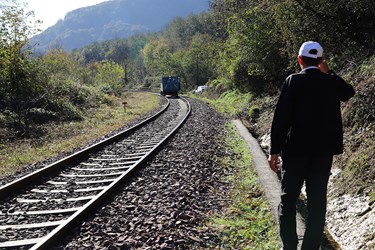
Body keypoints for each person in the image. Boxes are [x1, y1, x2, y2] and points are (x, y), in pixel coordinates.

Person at [268, 41, 355, 250]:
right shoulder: (330, 81)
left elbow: (281, 119)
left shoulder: (293, 81)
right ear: (320, 61)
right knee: (317, 205)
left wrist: (274, 151)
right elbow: (348, 92)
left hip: (295, 153)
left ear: (299, 60)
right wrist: (330, 72)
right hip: (323, 155)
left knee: (288, 201)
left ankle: (289, 246)